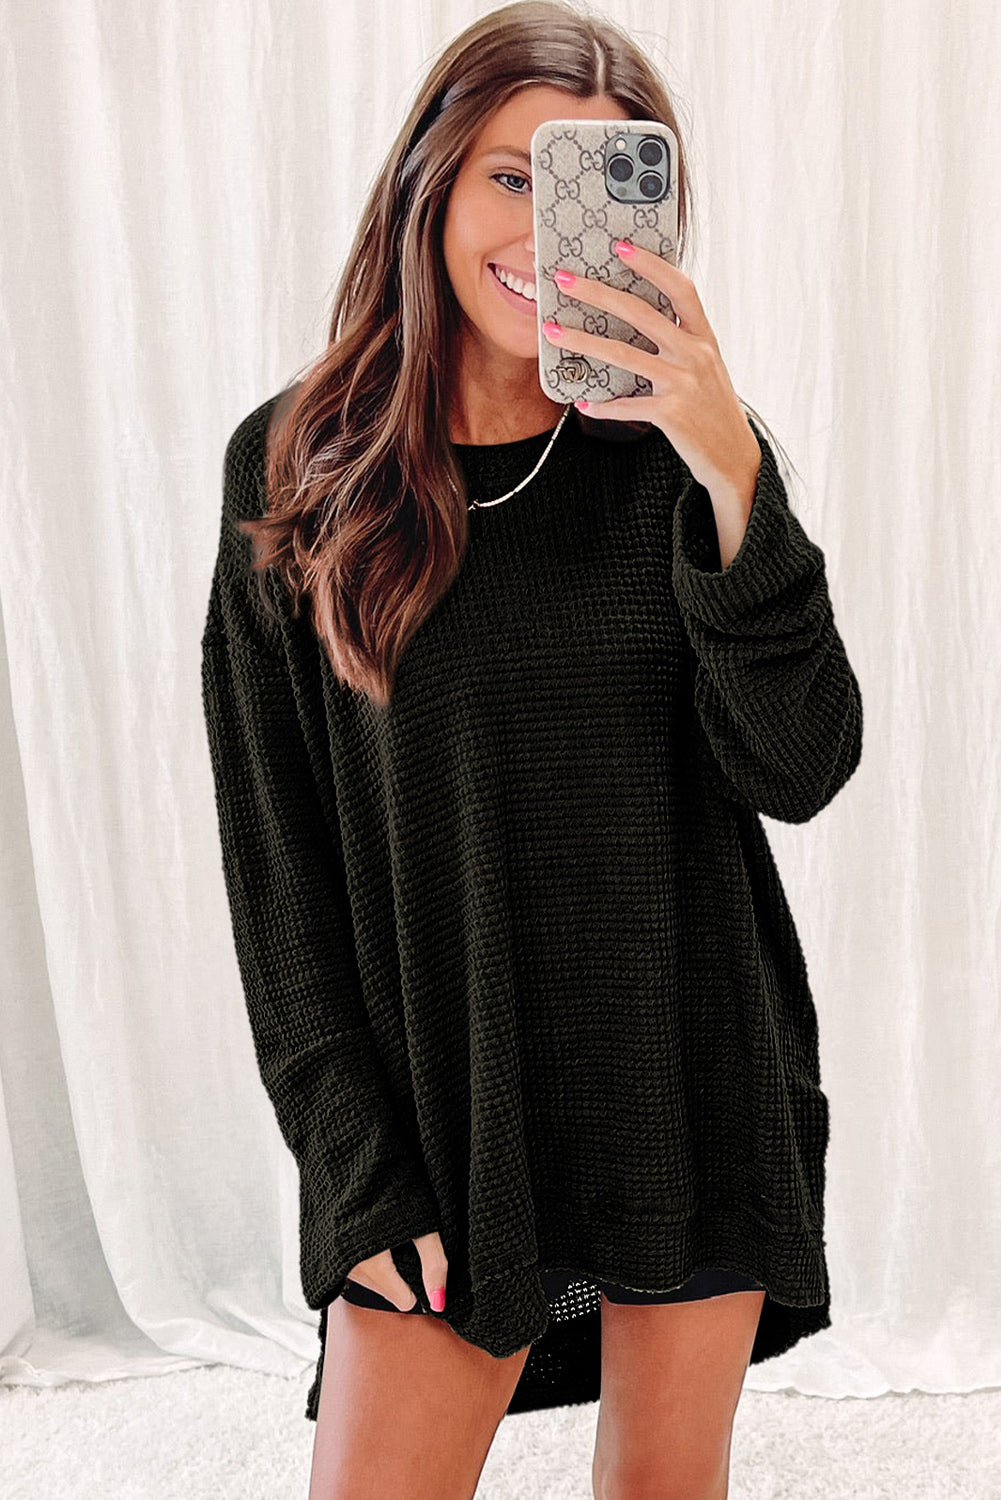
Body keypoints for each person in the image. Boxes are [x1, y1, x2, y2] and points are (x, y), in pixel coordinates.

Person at [200, 5, 863, 1497]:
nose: (538, 225)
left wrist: (730, 472)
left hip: (687, 1077)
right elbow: (278, 871)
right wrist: (353, 1171)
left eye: (600, 183)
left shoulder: (691, 455)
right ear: (428, 182)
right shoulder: (300, 464)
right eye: (511, 174)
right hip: (450, 1105)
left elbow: (803, 765)